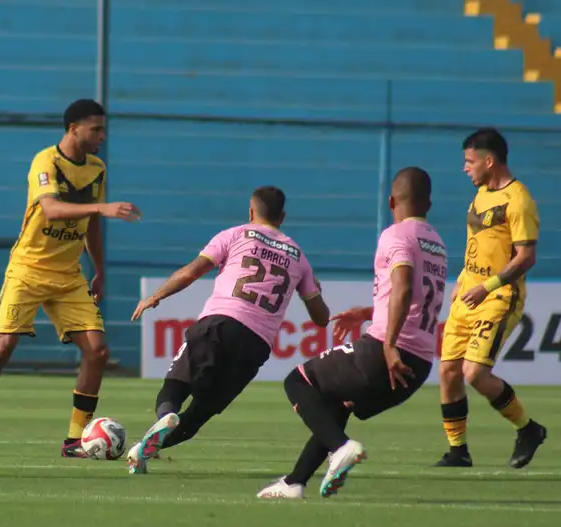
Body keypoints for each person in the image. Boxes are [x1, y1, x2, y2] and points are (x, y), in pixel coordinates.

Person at [0, 98, 142, 458]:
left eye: (103, 129)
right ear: (74, 129)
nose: (102, 136)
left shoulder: (97, 169)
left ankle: (73, 440)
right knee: (2, 347)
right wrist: (102, 207)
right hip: (28, 269)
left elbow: (92, 224)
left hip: (69, 275)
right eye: (96, 129)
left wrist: (100, 269)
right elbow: (52, 209)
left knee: (98, 352)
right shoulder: (46, 161)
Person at [257, 167, 447, 500]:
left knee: (298, 381)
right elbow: (416, 298)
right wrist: (369, 313)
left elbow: (404, 289)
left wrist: (389, 345)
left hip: (386, 352)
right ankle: (295, 482)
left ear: (391, 201)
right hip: (419, 365)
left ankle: (341, 447)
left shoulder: (396, 234)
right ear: (429, 204)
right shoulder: (437, 244)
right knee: (337, 402)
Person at [126, 186, 329, 474]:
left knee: (175, 386)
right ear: (282, 216)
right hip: (256, 345)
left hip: (220, 323)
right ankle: (144, 451)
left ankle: (165, 416)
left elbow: (191, 272)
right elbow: (321, 318)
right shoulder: (298, 256)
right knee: (198, 415)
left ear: (251, 211)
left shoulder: (235, 235)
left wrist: (156, 296)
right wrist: (315, 291)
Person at [436, 129, 546, 468]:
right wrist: (461, 280)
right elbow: (478, 244)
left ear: (489, 161)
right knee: (449, 371)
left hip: (499, 296)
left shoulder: (519, 200)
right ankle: (458, 451)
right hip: (468, 294)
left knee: (474, 373)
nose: (465, 168)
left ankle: (528, 429)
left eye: (469, 161)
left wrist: (487, 286)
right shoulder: (481, 194)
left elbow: (526, 256)